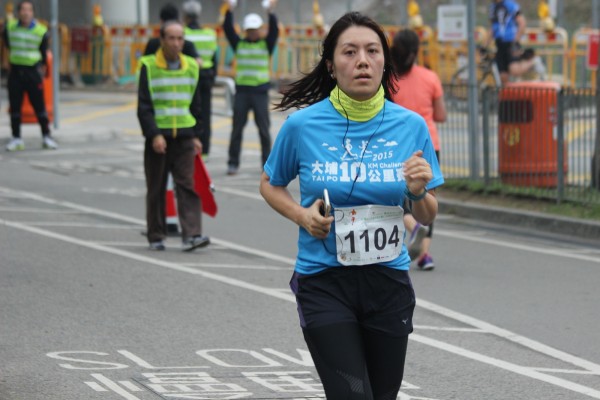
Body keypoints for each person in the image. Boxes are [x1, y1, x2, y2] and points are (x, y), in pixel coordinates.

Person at [259, 12, 444, 399]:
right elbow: (270, 184)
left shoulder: (410, 126)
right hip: (324, 280)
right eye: (350, 52)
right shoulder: (303, 126)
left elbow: (427, 213)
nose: (363, 61)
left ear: (384, 62)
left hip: (388, 283)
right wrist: (302, 215)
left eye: (372, 51)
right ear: (331, 64)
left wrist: (416, 192)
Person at [137, 20, 210, 252]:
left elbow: (197, 105)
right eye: (172, 38)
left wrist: (197, 135)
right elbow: (144, 106)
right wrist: (154, 134)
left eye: (180, 38)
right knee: (156, 187)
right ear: (162, 40)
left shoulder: (191, 66)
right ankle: (156, 235)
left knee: (187, 185)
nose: (177, 43)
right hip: (159, 138)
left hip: (185, 136)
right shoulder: (149, 66)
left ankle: (192, 235)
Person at [390, 28, 446, 271]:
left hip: (398, 146)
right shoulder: (430, 78)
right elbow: (441, 114)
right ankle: (424, 254)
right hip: (429, 144)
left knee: (396, 199)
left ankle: (413, 227)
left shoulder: (389, 80)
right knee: (426, 198)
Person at [222, 0, 279, 175]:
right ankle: (233, 163)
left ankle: (266, 164)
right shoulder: (239, 44)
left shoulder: (266, 44)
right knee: (237, 129)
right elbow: (228, 29)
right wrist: (230, 10)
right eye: (250, 30)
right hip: (242, 92)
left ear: (260, 29)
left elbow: (274, 31)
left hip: (260, 92)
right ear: (245, 30)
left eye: (255, 29)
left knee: (264, 129)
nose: (253, 32)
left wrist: (270, 12)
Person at [3, 0, 57, 152]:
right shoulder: (10, 28)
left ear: (33, 13)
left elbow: (44, 52)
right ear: (18, 12)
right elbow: (7, 45)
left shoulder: (41, 31)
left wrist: (41, 69)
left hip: (33, 72)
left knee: (39, 107)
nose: (26, 13)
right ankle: (16, 138)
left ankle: (46, 136)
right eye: (23, 10)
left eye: (29, 10)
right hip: (15, 72)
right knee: (15, 107)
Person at [182, 0, 218, 160]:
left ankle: (190, 147)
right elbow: (215, 58)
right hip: (206, 79)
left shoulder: (183, 34)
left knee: (190, 113)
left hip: (189, 79)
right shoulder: (209, 34)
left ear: (185, 16)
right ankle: (204, 151)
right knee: (205, 115)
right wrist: (212, 77)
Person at [486, 0, 542, 85]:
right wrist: (485, 45)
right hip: (499, 44)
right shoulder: (493, 7)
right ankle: (508, 93)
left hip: (511, 42)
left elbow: (522, 23)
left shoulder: (510, 5)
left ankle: (534, 61)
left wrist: (516, 41)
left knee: (514, 70)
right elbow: (492, 28)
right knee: (502, 76)